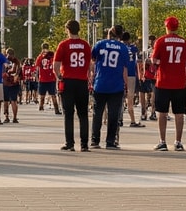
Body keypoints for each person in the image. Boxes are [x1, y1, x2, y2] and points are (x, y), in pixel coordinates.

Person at [149, 17, 186, 151]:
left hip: (163, 81)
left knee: (162, 113)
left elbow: (154, 59)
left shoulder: (160, 41)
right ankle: (178, 141)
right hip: (179, 82)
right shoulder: (184, 42)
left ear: (166, 27)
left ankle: (162, 141)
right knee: (179, 113)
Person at [90, 27, 131, 150]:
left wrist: (92, 75)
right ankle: (110, 141)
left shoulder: (100, 44)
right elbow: (124, 69)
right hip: (116, 85)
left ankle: (94, 140)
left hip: (101, 83)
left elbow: (92, 60)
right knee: (113, 115)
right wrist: (126, 85)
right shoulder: (123, 48)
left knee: (97, 114)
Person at [55, 20, 91, 150]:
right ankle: (84, 144)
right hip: (82, 81)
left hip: (68, 81)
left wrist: (59, 76)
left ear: (67, 30)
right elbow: (89, 64)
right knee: (83, 114)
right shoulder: (85, 45)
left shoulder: (64, 45)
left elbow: (56, 64)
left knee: (68, 114)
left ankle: (69, 143)